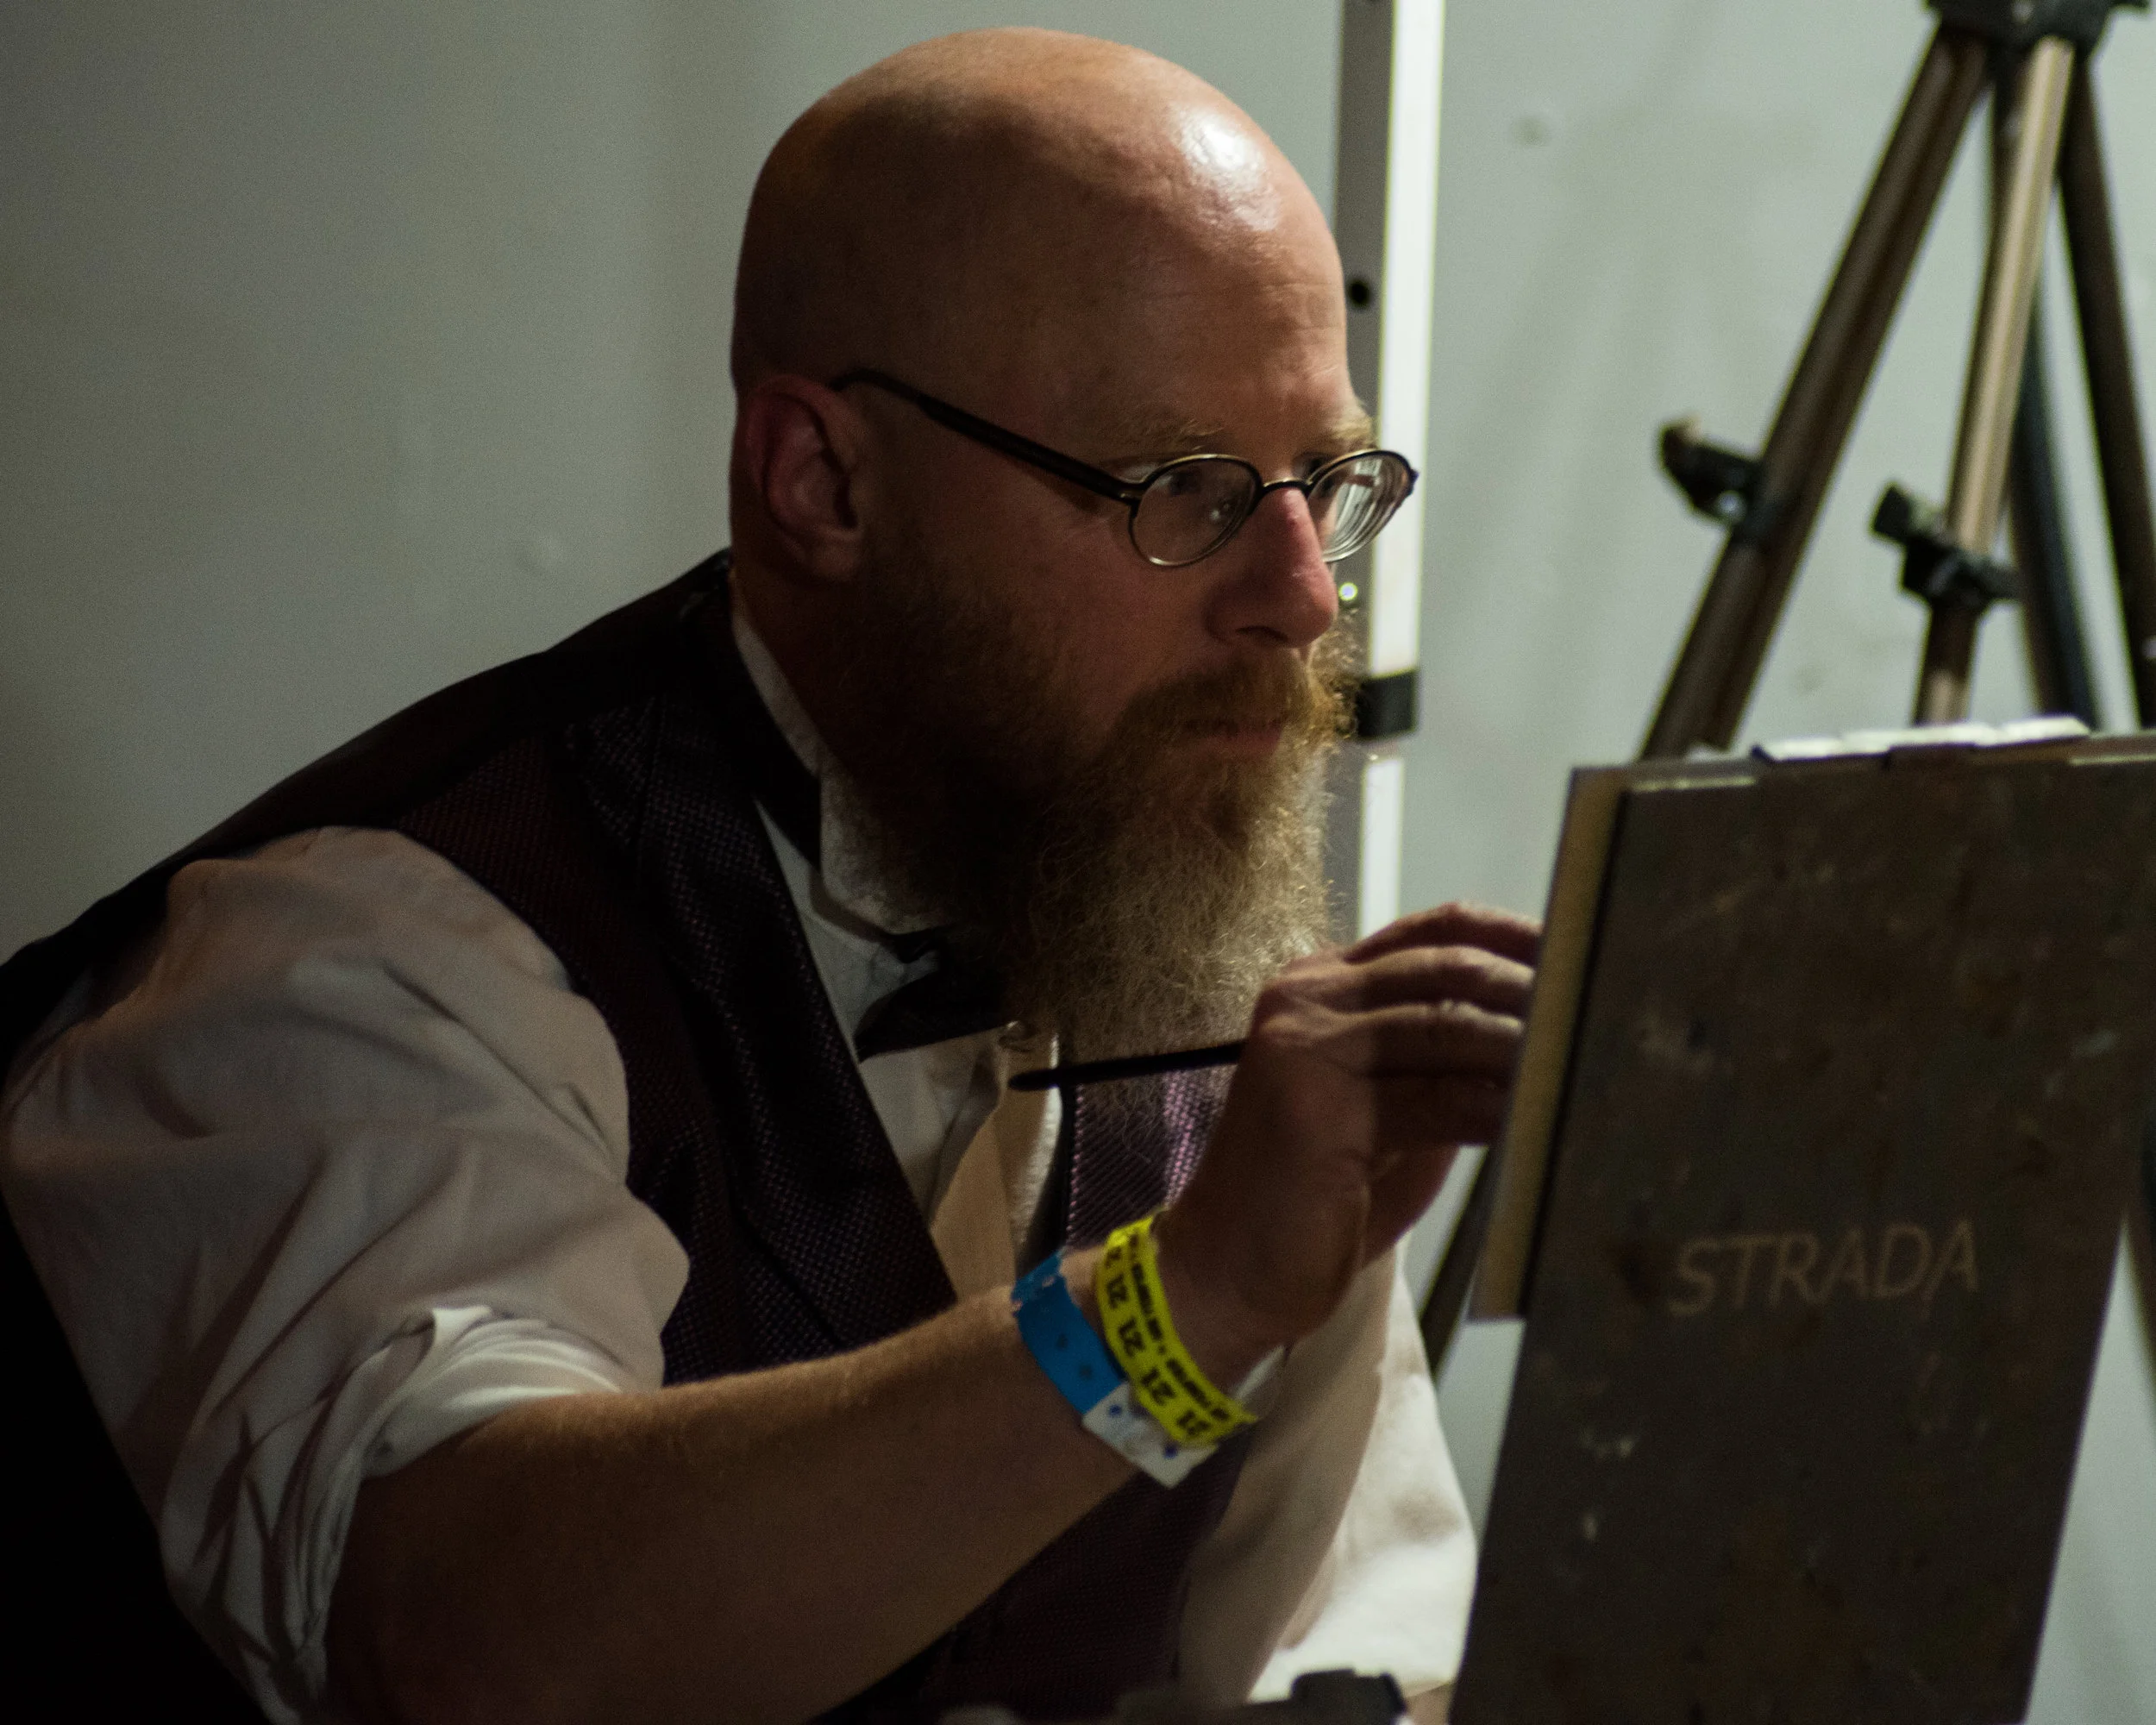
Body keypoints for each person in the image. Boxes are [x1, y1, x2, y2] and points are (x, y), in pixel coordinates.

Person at [0, 28, 1538, 1725]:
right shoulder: (372, 955)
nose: (1303, 598)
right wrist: (1175, 1309)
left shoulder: (1173, 929)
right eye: (1183, 488)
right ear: (822, 480)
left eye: (1326, 482)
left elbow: (1355, 1661)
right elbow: (473, 1651)